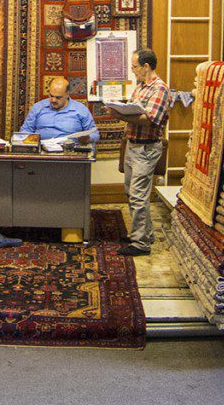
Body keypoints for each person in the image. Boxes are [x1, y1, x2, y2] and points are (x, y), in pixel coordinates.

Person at [111, 49, 171, 257]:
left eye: (135, 67)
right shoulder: (140, 88)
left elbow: (149, 118)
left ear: (146, 67)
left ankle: (140, 244)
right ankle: (144, 233)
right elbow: (135, 110)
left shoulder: (160, 89)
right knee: (130, 191)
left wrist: (124, 115)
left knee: (138, 195)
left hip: (146, 148)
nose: (132, 70)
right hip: (132, 144)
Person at [19, 76, 99, 145]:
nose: (53, 100)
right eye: (51, 96)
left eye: (58, 97)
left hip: (69, 152)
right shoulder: (38, 107)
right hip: (41, 151)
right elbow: (25, 131)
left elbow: (95, 134)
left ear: (67, 94)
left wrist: (88, 138)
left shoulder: (80, 110)